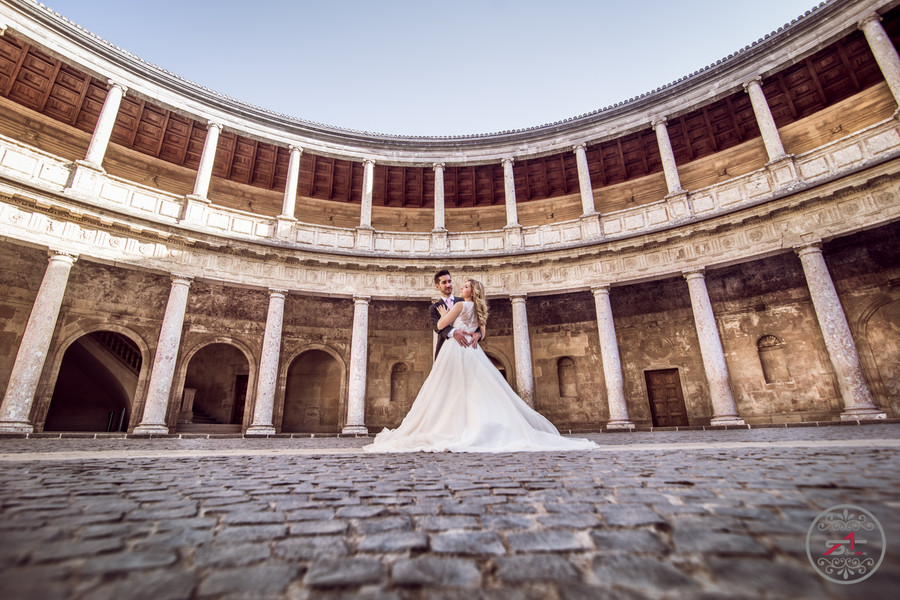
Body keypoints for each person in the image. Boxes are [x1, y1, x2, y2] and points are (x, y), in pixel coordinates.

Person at [364, 276, 598, 453]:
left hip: (457, 350)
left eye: (463, 285)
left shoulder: (458, 305)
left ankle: (454, 427)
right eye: (453, 283)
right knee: (478, 390)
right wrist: (475, 335)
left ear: (470, 291)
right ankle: (480, 425)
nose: (458, 287)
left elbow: (439, 326)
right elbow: (481, 331)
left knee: (449, 390)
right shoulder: (477, 308)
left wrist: (449, 318)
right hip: (472, 350)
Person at [429, 269, 482, 359]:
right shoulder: (434, 308)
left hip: (467, 348)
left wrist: (478, 334)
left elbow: (477, 321)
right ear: (437, 286)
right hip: (445, 350)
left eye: (449, 281)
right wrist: (454, 332)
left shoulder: (464, 301)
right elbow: (438, 329)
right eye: (444, 282)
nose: (448, 285)